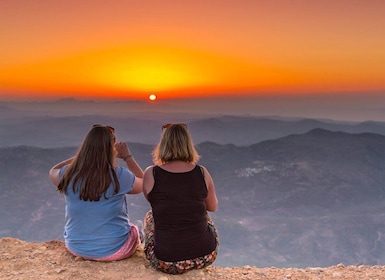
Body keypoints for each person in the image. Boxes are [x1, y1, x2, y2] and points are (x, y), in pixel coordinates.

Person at [48, 124, 144, 261]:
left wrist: (81, 158)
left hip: (76, 248)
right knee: (135, 229)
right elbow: (144, 183)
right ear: (112, 149)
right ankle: (139, 234)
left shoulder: (68, 174)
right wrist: (127, 156)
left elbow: (53, 170)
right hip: (115, 249)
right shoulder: (119, 176)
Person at [142, 123, 219, 274]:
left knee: (151, 215)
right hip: (205, 255)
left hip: (166, 260)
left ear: (163, 144)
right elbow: (213, 207)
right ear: (188, 144)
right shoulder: (202, 173)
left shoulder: (151, 174)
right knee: (204, 213)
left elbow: (155, 204)